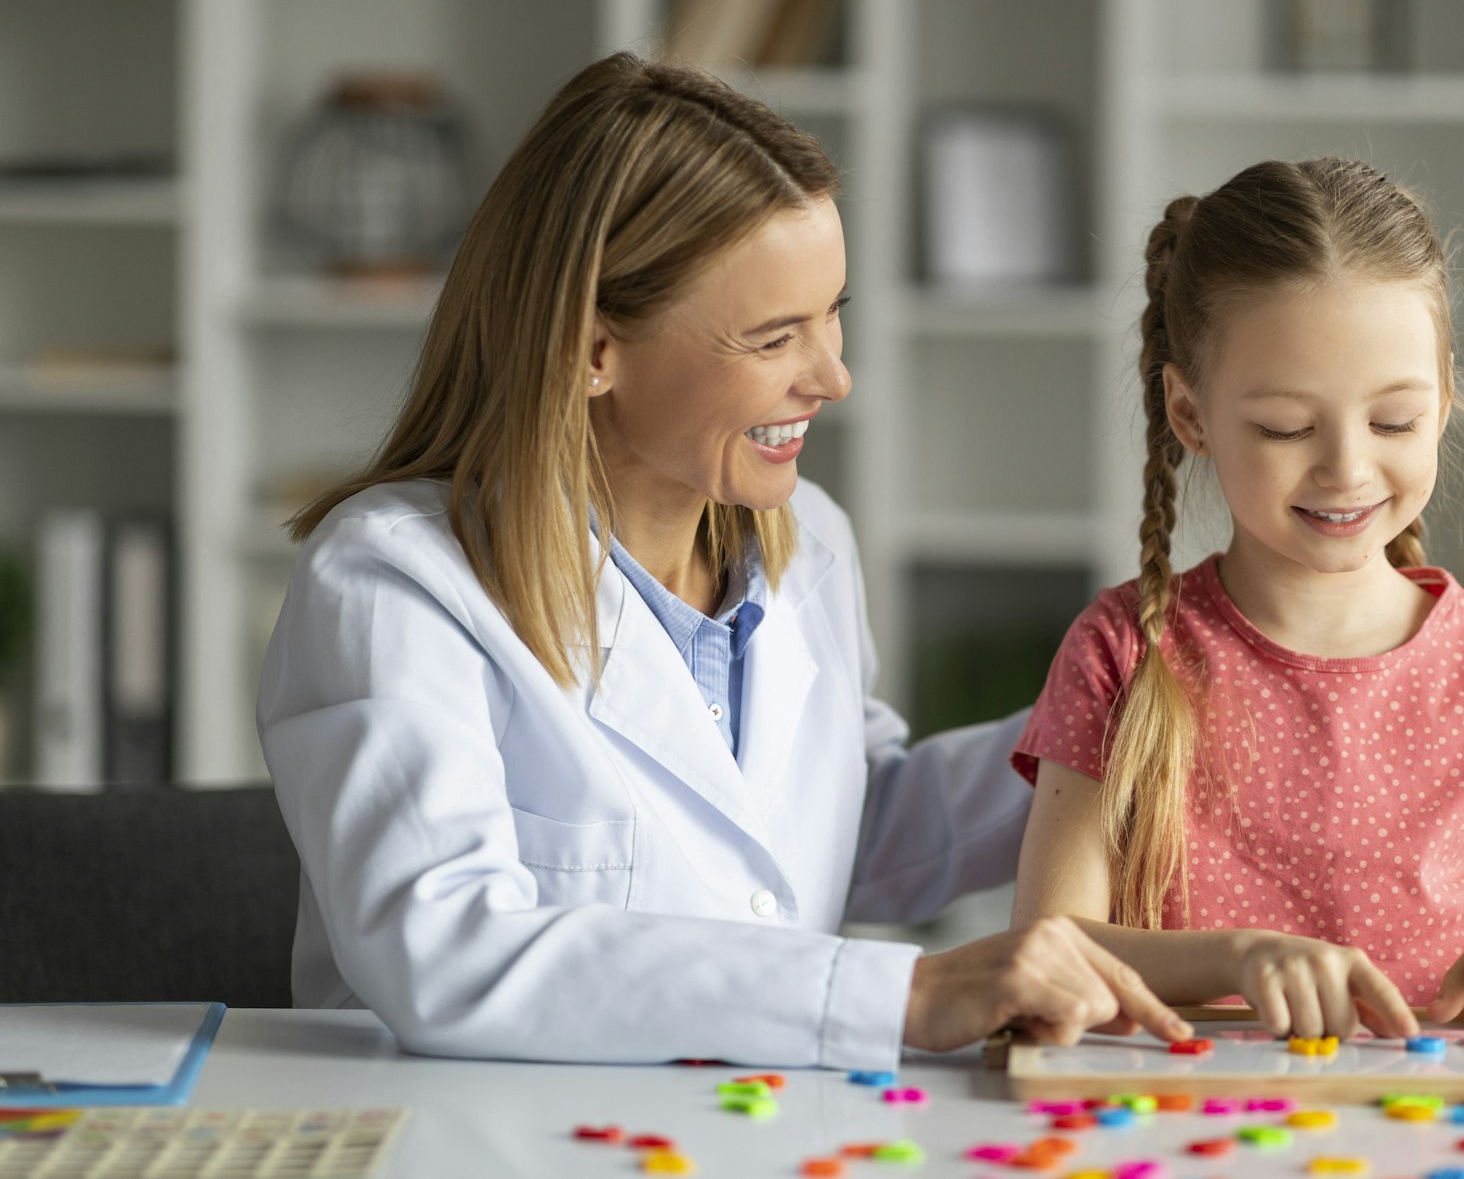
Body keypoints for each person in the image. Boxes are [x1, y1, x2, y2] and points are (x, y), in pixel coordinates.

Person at [258, 53, 1190, 1069]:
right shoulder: (395, 583)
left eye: (832, 314)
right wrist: (903, 993)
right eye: (773, 338)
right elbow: (444, 951)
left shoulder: (808, 544)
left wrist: (1113, 727)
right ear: (591, 350)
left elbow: (850, 828)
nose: (833, 375)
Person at [1010, 157, 1464, 1041]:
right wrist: (1237, 958)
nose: (1346, 467)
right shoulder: (1122, 649)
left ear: (1446, 398)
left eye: (1393, 421)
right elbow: (1046, 951)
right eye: (1286, 428)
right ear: (1191, 416)